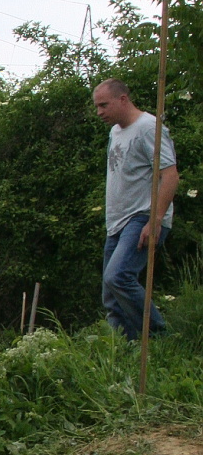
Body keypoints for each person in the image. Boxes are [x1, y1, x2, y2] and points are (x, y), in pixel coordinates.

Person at [93, 78, 179, 339]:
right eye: (97, 107)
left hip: (141, 216)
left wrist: (155, 220)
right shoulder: (116, 131)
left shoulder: (148, 127)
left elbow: (170, 175)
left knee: (118, 277)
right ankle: (124, 350)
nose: (100, 113)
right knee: (111, 296)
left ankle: (159, 338)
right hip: (117, 221)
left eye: (104, 105)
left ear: (123, 99)